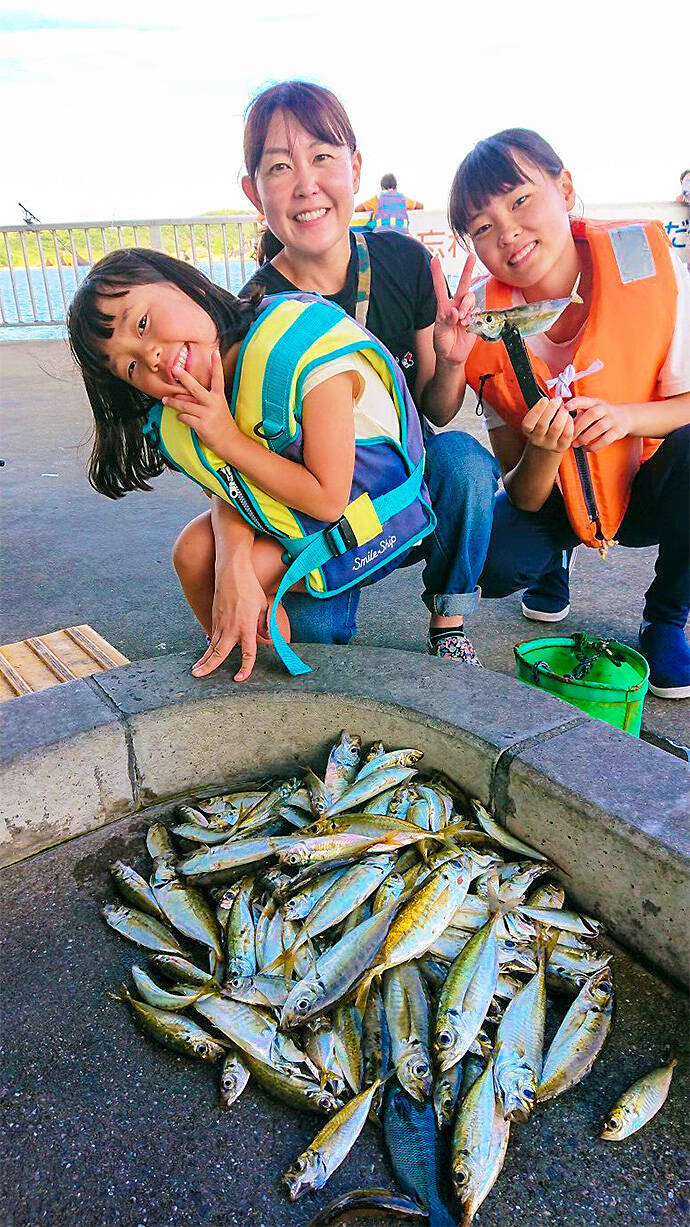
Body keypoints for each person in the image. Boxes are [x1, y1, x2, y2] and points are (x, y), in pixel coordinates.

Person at [67, 248, 443, 681]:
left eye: (143, 324)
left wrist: (225, 438)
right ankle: (242, 665)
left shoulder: (298, 350)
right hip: (289, 510)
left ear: (186, 284)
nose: (150, 355)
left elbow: (326, 500)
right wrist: (232, 565)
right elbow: (225, 486)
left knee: (257, 599)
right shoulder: (199, 389)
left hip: (367, 516)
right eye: (130, 366)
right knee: (192, 553)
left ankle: (271, 681)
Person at [234, 80, 498, 667]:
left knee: (467, 463)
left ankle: (450, 621)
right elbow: (238, 462)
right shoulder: (249, 313)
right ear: (254, 192)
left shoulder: (405, 262)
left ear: (354, 168)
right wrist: (232, 562)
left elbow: (436, 410)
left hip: (407, 482)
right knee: (310, 652)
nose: (306, 184)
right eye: (279, 167)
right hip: (321, 517)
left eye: (323, 157)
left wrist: (454, 357)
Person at [430, 128, 690, 698]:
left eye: (521, 200)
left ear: (564, 187)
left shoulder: (650, 264)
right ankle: (554, 563)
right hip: (556, 499)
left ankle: (667, 616)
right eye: (482, 226)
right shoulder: (483, 330)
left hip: (648, 483)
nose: (508, 233)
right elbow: (521, 493)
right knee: (491, 561)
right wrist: (546, 449)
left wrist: (626, 418)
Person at [355, 173, 424, 229]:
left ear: (382, 187)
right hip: (401, 234)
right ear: (396, 187)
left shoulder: (377, 198)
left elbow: (357, 209)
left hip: (382, 234)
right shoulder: (403, 198)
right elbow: (420, 206)